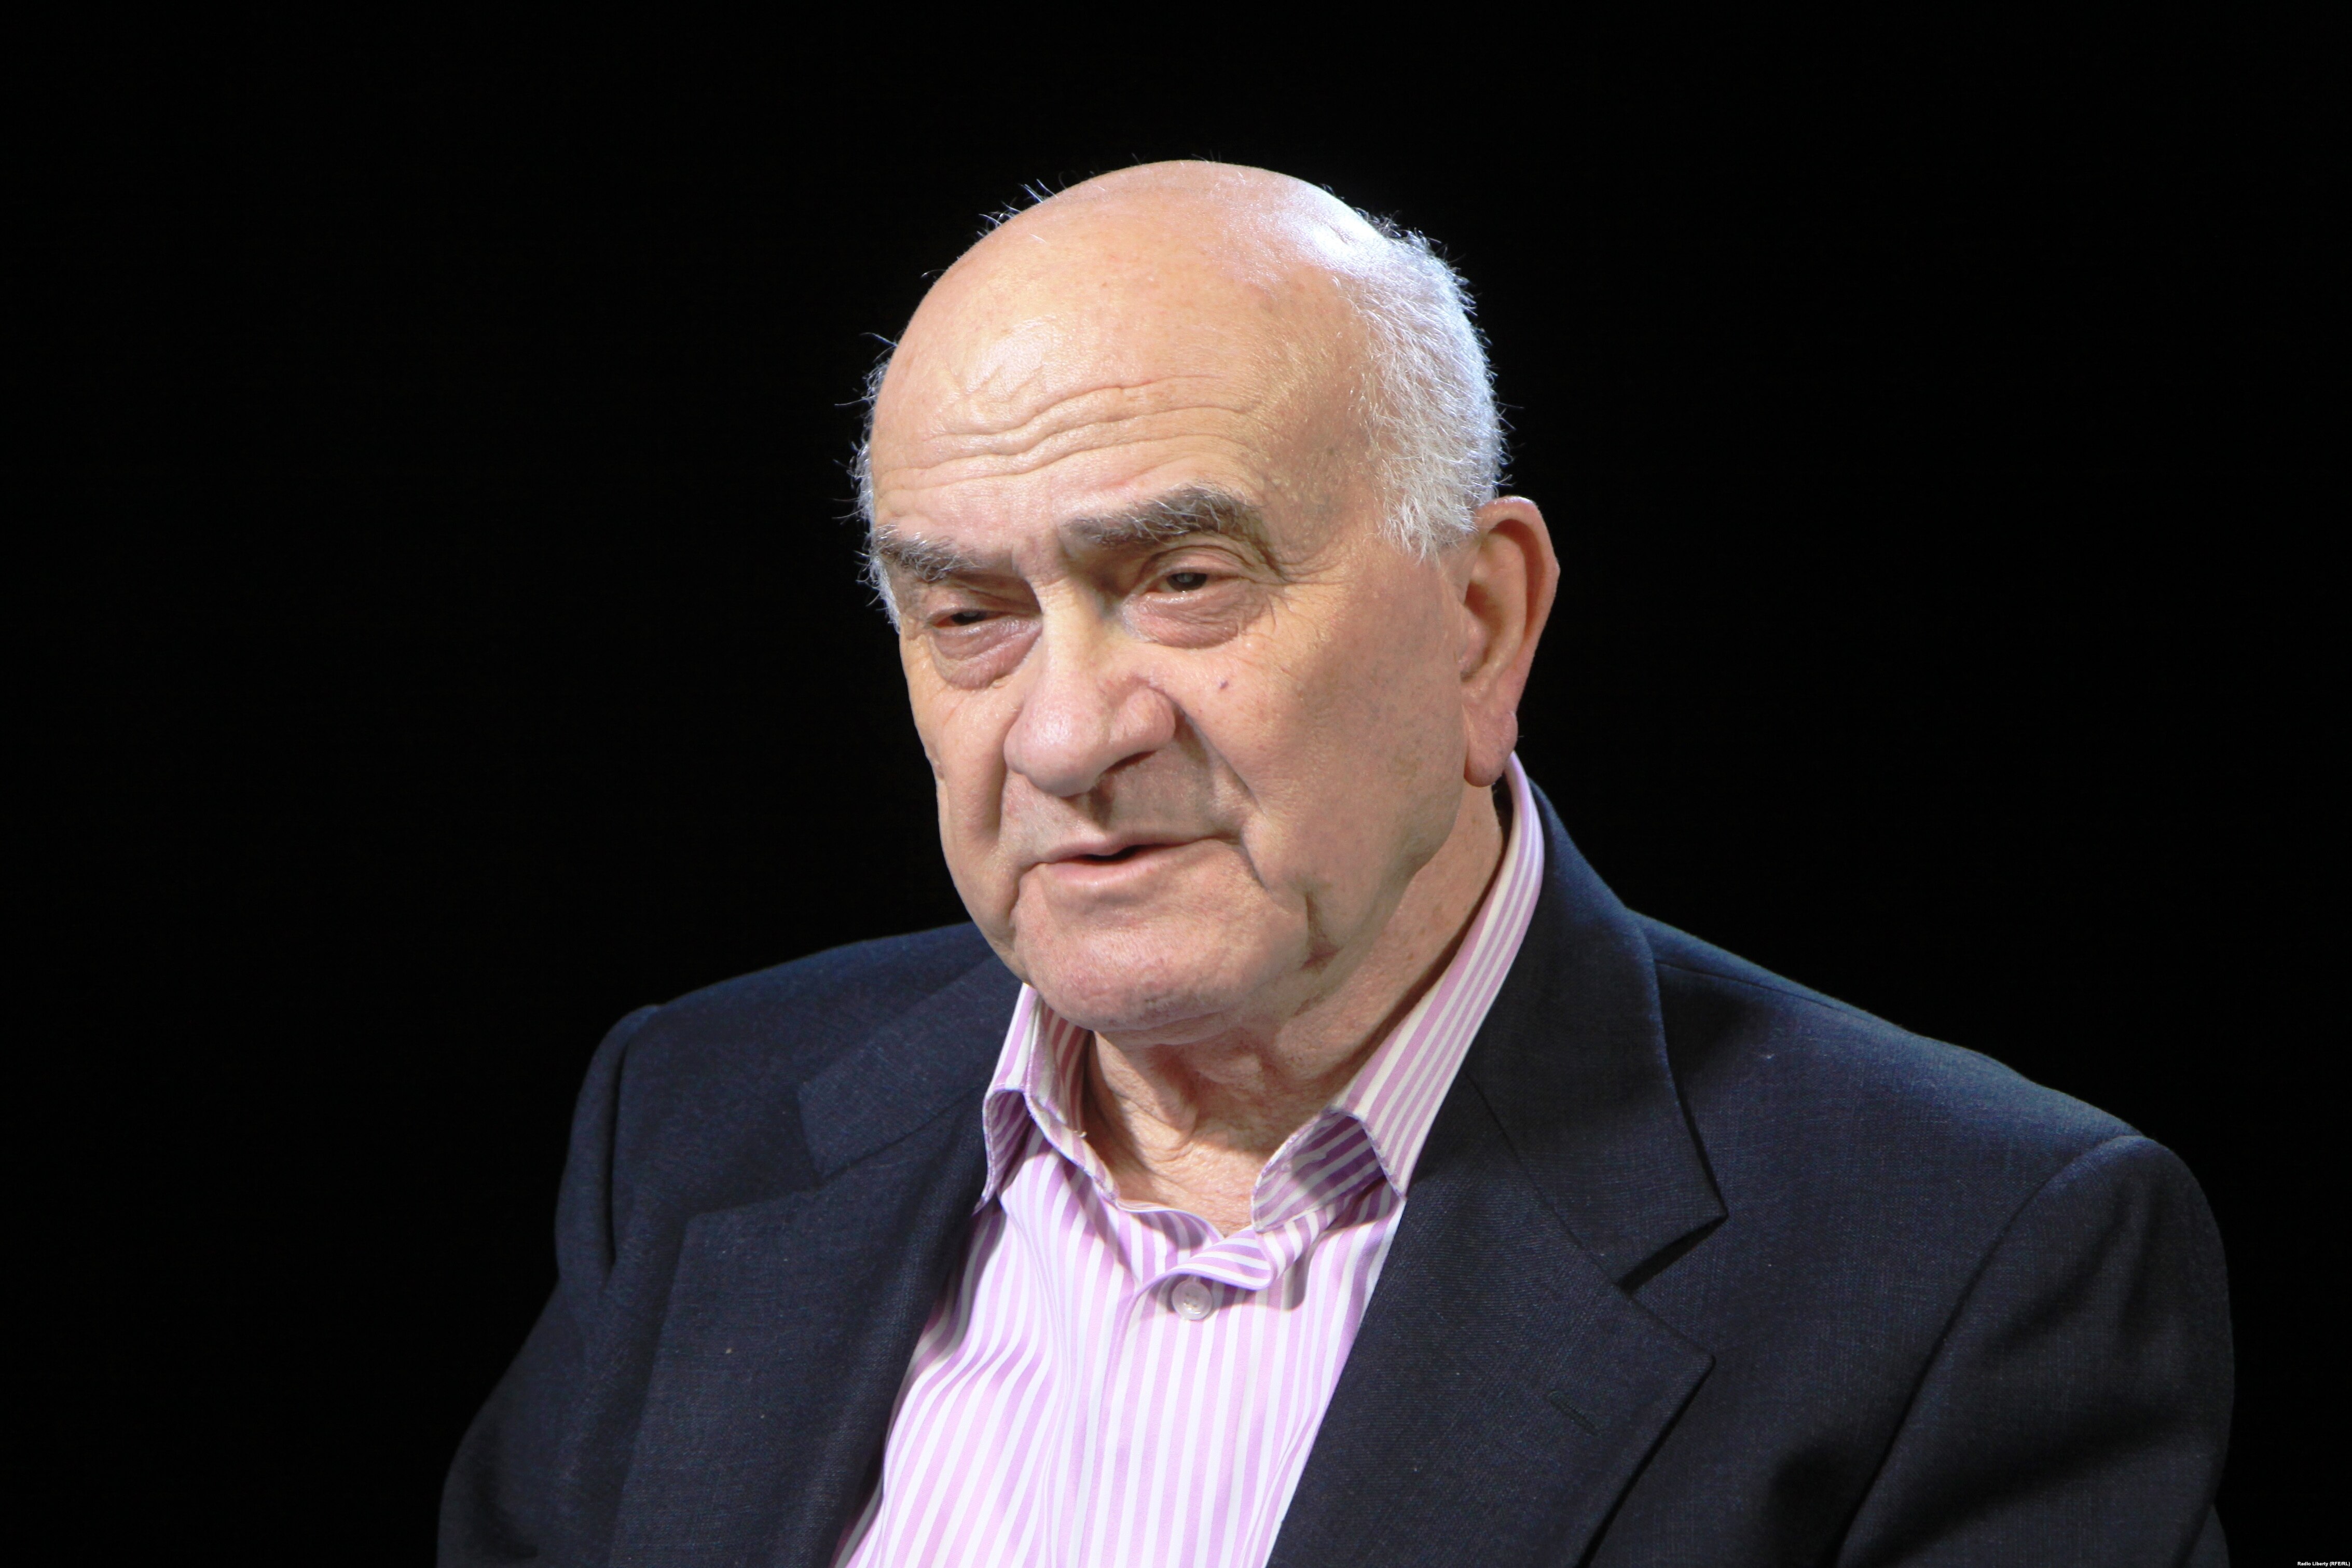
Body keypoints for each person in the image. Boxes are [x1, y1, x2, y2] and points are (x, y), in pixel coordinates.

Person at [440, 162, 2232, 1567]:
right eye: (970, 613)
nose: (1064, 735)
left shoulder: (1975, 1260)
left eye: (1183, 581)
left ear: (1480, 622)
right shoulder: (695, 1121)